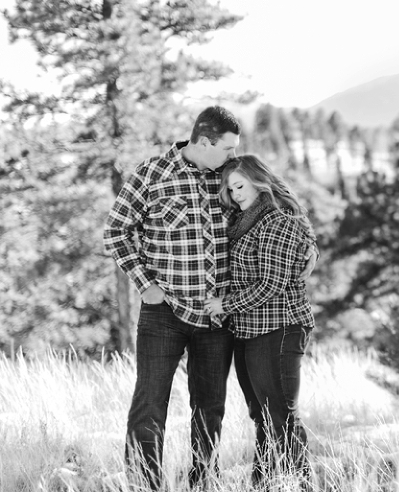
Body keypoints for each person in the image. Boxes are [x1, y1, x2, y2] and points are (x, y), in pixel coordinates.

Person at [103, 106, 317, 490]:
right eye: (228, 147)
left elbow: (279, 204)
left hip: (217, 316)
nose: (234, 155)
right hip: (164, 312)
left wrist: (310, 245)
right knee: (149, 403)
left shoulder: (229, 176)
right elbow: (116, 231)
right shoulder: (152, 174)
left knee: (210, 407)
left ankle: (203, 481)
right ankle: (144, 484)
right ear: (204, 142)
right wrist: (144, 283)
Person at [204, 154, 315, 491]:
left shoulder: (276, 221)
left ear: (259, 181)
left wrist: (224, 304)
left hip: (279, 327)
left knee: (280, 414)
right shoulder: (244, 221)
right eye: (230, 189)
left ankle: (303, 483)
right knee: (262, 416)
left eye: (240, 186)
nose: (234, 194)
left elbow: (270, 284)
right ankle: (262, 484)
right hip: (249, 330)